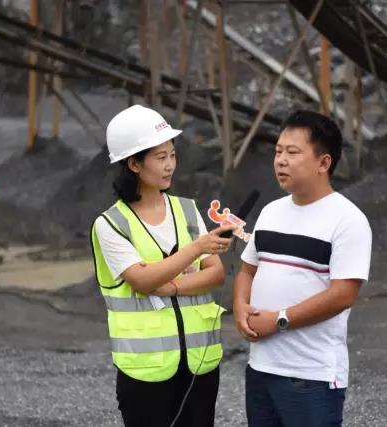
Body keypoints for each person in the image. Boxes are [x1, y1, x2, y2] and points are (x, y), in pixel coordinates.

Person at [90, 104, 234, 426]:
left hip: (199, 363)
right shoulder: (111, 224)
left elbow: (215, 274)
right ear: (134, 164)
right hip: (146, 370)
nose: (170, 165)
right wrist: (196, 249)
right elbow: (142, 281)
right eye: (160, 157)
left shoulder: (187, 210)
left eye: (172, 155)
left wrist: (171, 286)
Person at [233, 110, 372, 427]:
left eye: (292, 153)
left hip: (311, 376)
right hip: (261, 369)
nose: (280, 161)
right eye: (278, 151)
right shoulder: (270, 212)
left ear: (324, 163)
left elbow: (343, 295)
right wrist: (240, 306)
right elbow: (246, 271)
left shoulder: (348, 220)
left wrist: (279, 320)